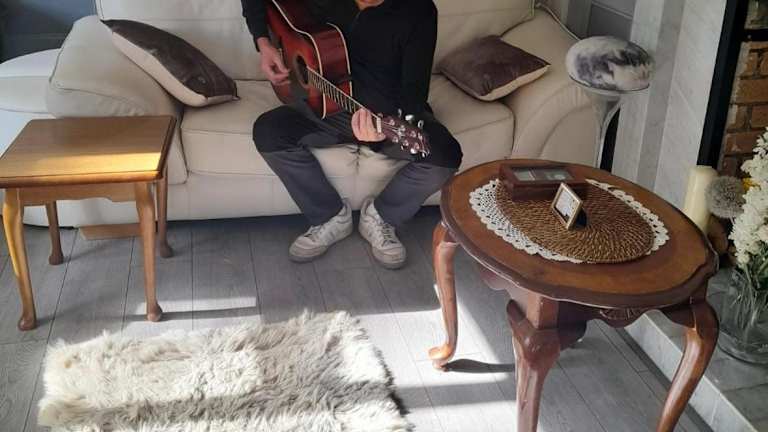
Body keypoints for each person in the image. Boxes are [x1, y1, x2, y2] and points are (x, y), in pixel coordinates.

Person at [243, 0, 462, 269]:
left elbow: (414, 92)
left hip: (386, 119)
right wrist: (264, 44)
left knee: (444, 156)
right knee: (268, 132)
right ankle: (329, 216)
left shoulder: (418, 9)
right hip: (323, 109)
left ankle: (382, 217)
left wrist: (387, 128)